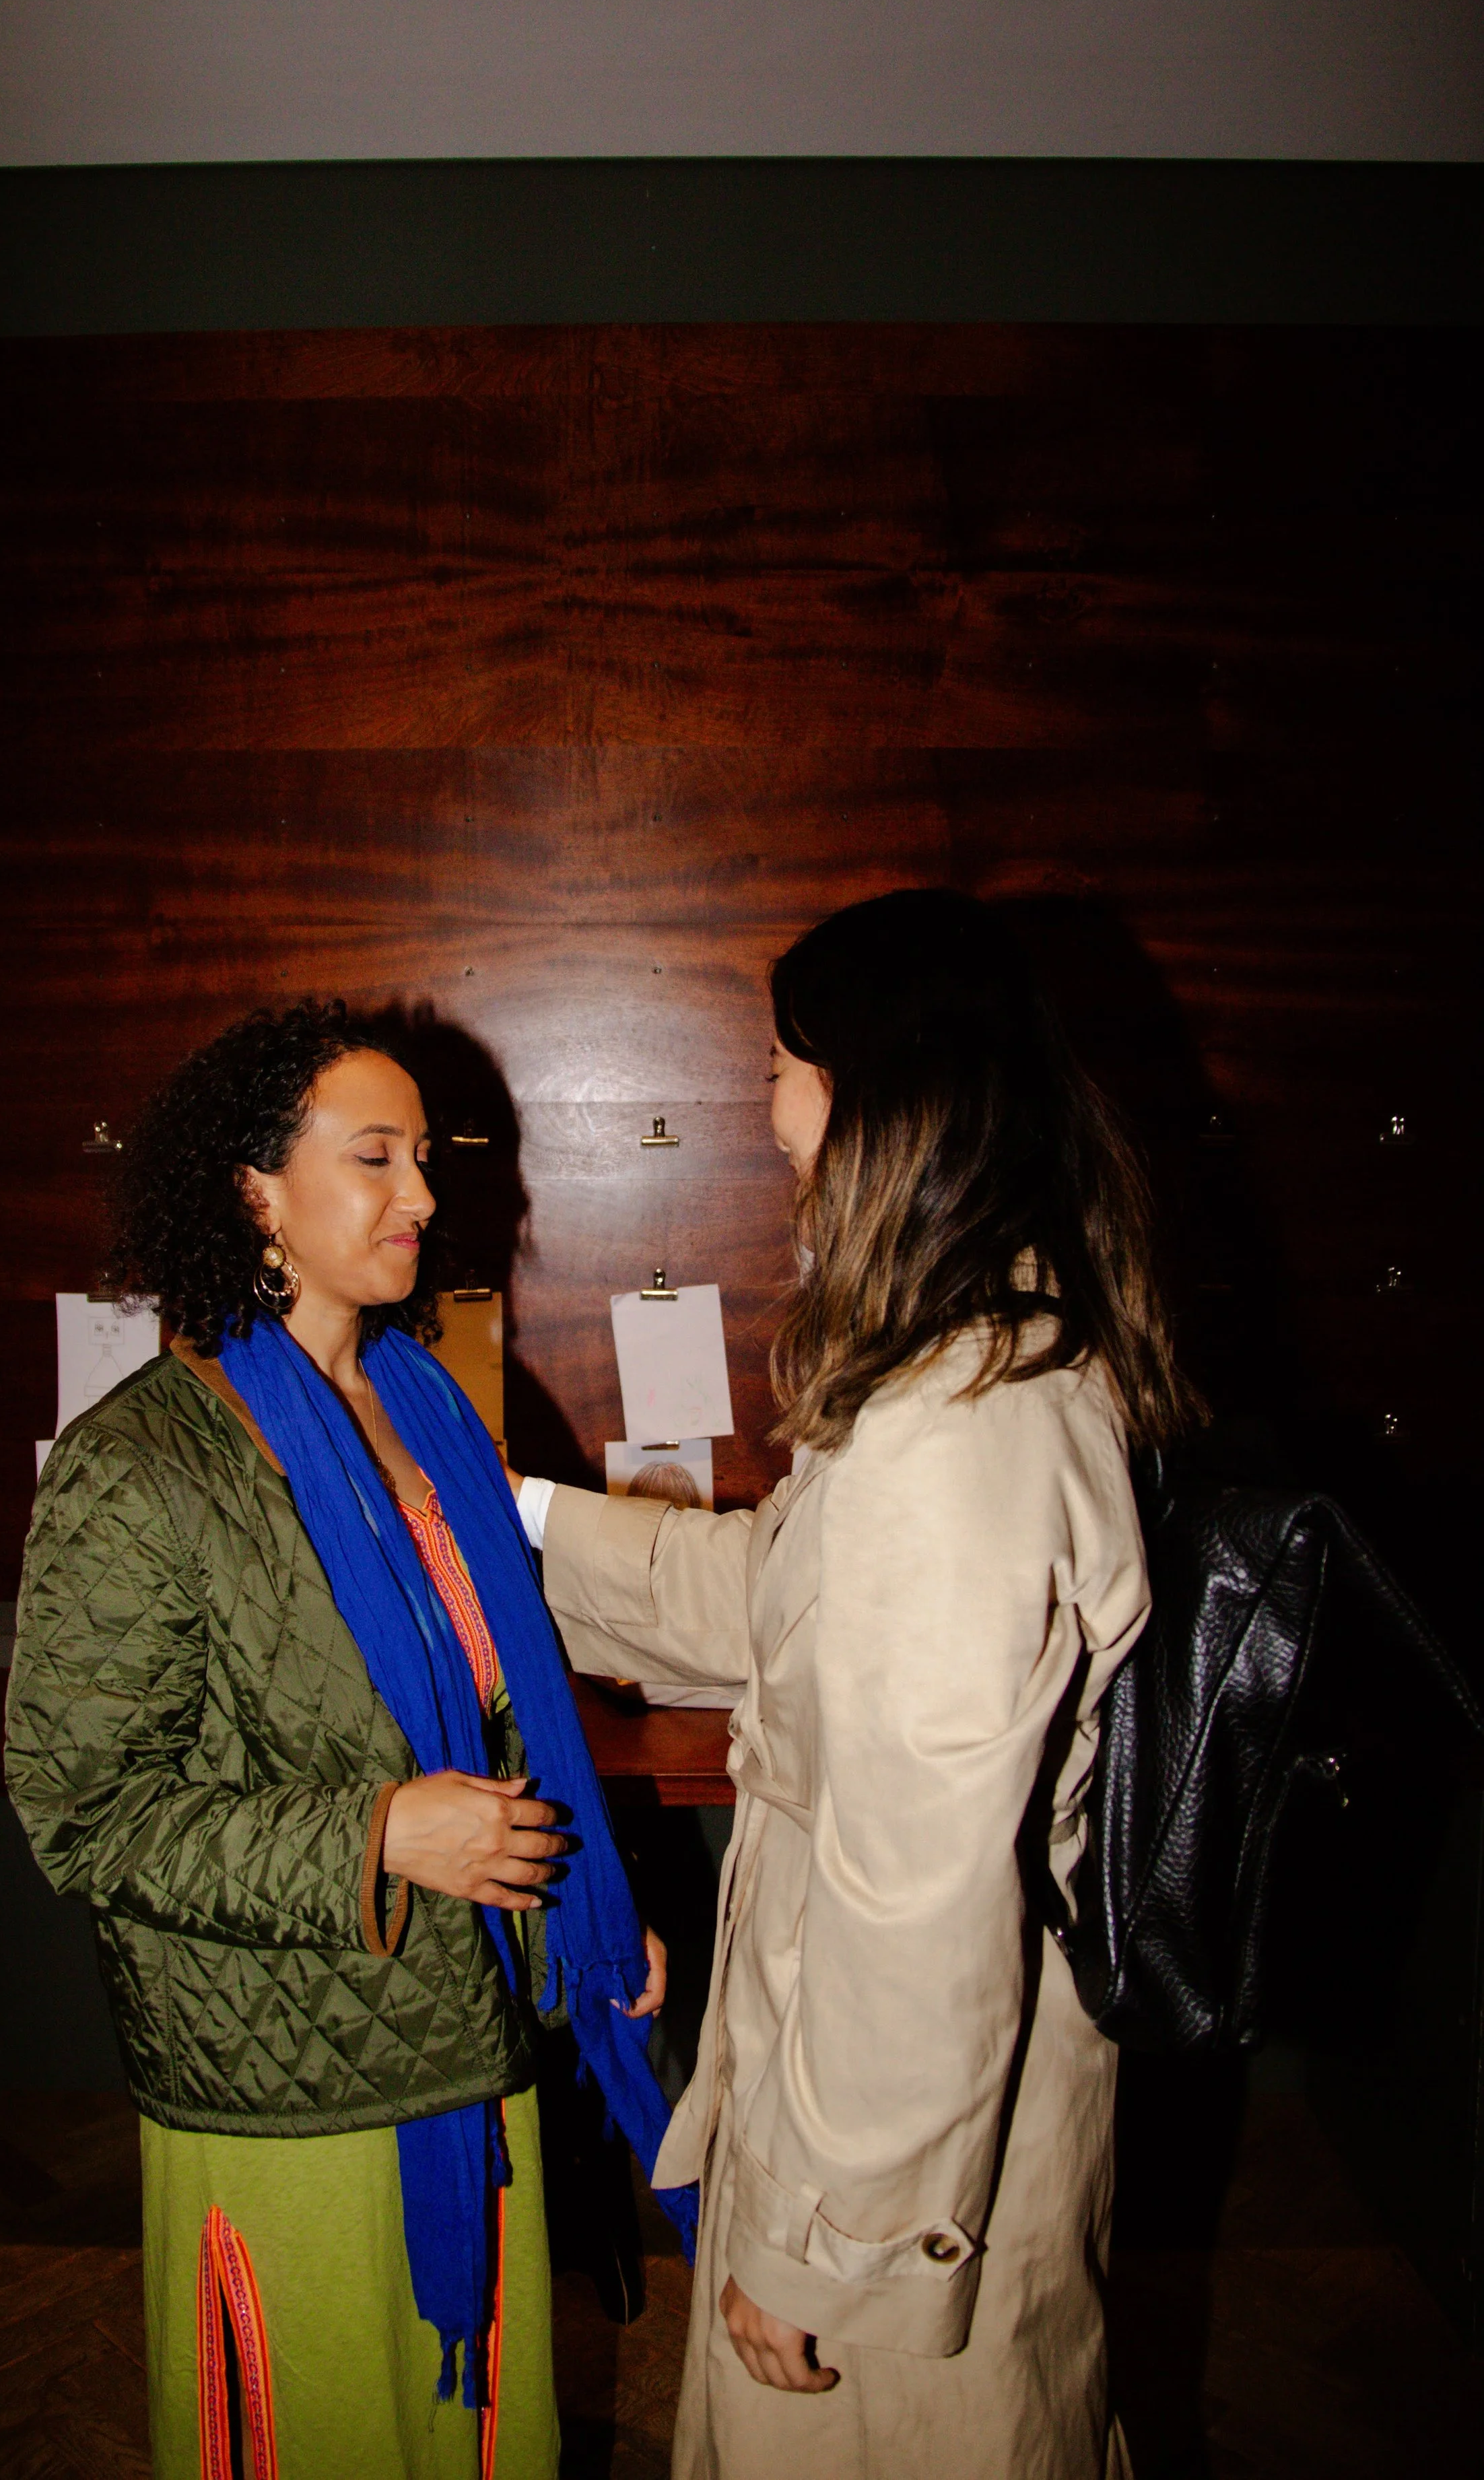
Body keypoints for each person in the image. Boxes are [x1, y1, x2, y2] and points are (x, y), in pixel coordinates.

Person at [510, 890, 1198, 2479]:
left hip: (893, 2175)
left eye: (780, 1065)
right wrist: (516, 1516)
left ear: (876, 1094)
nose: (766, 1111)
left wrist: (823, 2248)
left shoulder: (951, 1432)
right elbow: (774, 1599)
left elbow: (916, 1891)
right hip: (894, 2110)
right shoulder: (965, 1362)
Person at [6, 1001, 677, 2480]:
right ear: (256, 1193)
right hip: (284, 2080)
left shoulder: (424, 1402)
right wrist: (376, 1835)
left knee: (475, 2435)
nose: (423, 1198)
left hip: (477, 2026)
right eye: (373, 1158)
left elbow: (507, 1707)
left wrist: (586, 1902)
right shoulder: (141, 1465)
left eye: (424, 1158)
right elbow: (87, 1810)